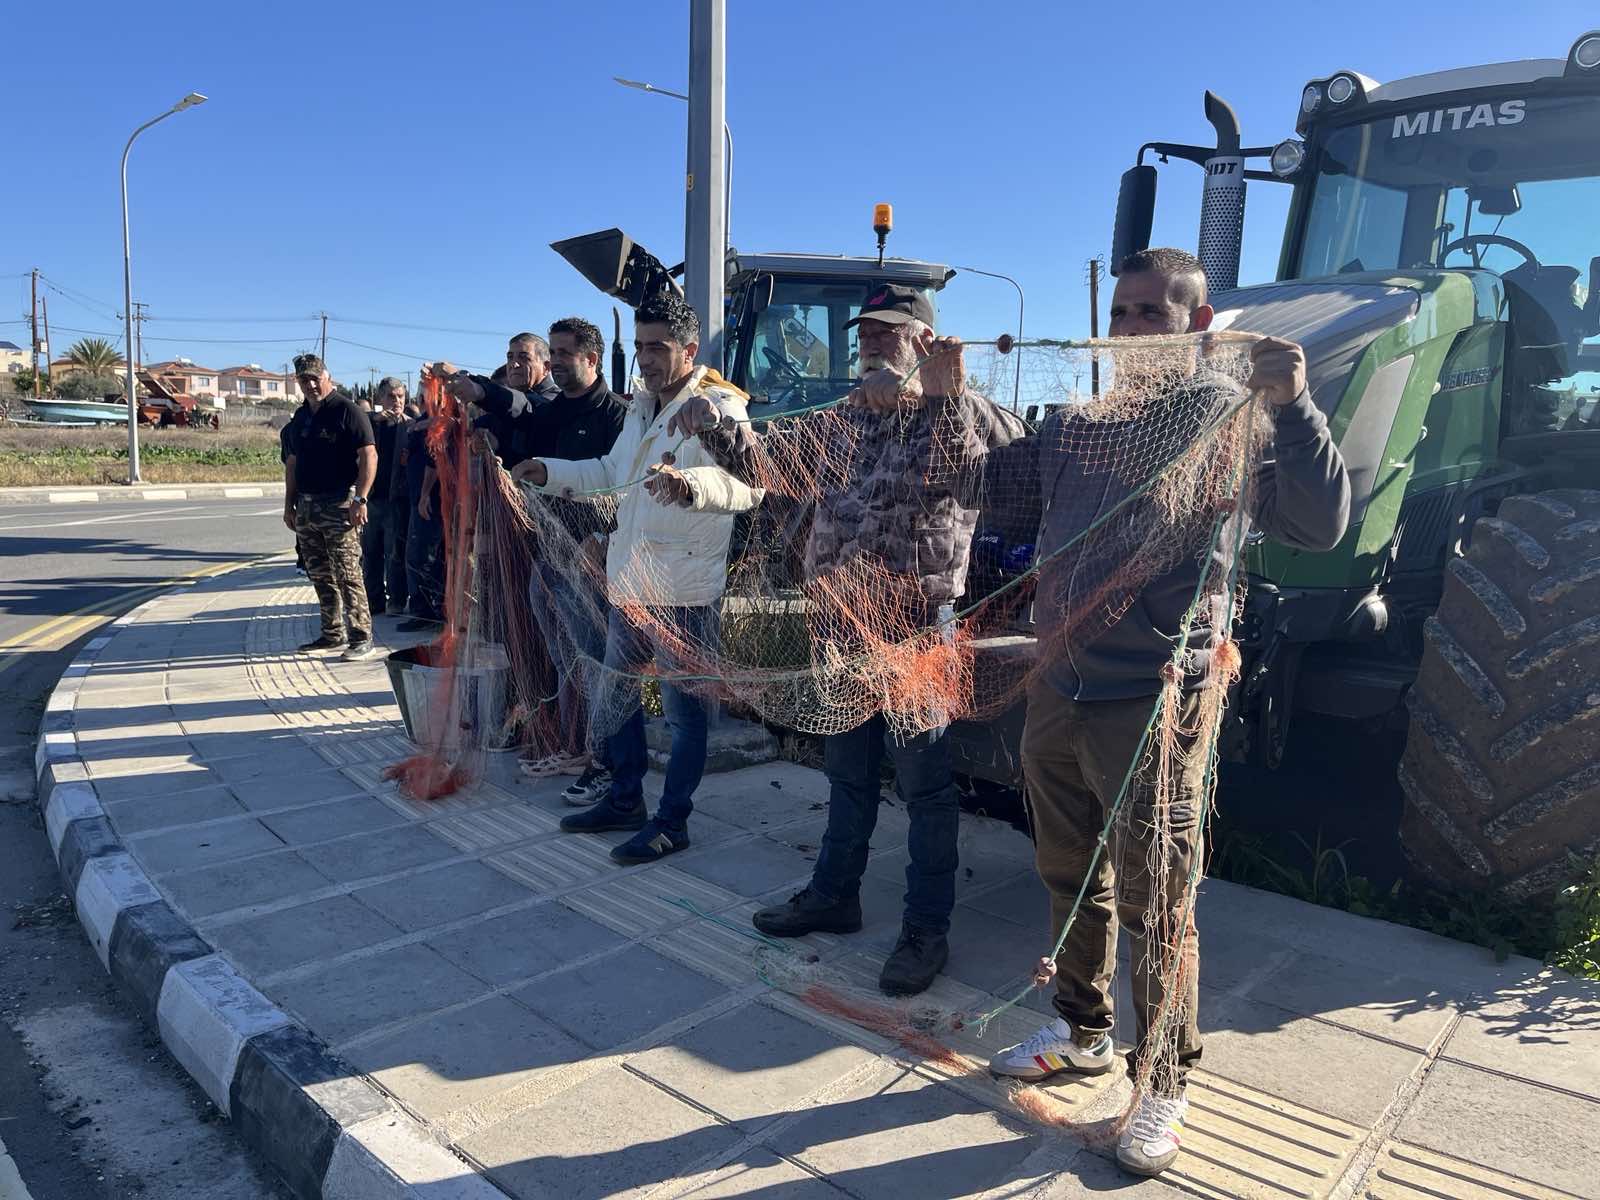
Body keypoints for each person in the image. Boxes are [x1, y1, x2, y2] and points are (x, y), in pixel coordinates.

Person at [986, 248, 1351, 1178]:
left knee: (1160, 901)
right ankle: (1082, 1034)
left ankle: (1163, 1081)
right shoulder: (1078, 424)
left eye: (1152, 312)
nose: (1130, 328)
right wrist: (951, 400)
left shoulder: (1229, 415)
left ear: (1198, 325)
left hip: (1154, 699)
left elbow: (1319, 526)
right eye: (1122, 310)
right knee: (1068, 872)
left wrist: (1296, 407)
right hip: (1058, 686)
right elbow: (997, 495)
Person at [749, 284, 1025, 997]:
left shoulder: (964, 405)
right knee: (847, 772)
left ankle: (925, 929)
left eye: (887, 332)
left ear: (923, 341)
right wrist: (715, 431)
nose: (871, 343)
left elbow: (995, 474)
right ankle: (833, 895)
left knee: (925, 787)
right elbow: (769, 468)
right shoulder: (844, 416)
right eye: (865, 333)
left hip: (914, 628)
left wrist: (945, 395)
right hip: (841, 622)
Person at [512, 293, 761, 864]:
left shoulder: (718, 404)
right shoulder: (642, 406)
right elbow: (611, 472)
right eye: (641, 346)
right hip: (632, 582)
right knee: (616, 693)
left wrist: (691, 486)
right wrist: (550, 471)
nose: (645, 359)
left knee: (683, 714)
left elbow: (748, 485)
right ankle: (625, 799)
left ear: (689, 351)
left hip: (683, 588)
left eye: (658, 348)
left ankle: (672, 822)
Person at [433, 318, 628, 787]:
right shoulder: (553, 412)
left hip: (590, 559)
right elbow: (521, 409)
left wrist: (602, 537)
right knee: (563, 658)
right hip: (549, 554)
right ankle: (572, 746)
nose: (556, 362)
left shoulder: (617, 415)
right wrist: (479, 394)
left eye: (563, 353)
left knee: (593, 662)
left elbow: (626, 485)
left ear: (592, 359)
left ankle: (601, 758)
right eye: (553, 353)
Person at [283, 353, 381, 661]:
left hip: (339, 504)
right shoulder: (300, 418)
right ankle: (332, 632)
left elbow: (369, 456)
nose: (310, 385)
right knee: (319, 574)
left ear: (327, 377)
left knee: (347, 572)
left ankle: (361, 637)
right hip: (307, 506)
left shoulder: (347, 411)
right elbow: (292, 463)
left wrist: (360, 499)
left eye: (315, 378)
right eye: (304, 380)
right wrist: (289, 505)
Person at [469, 334, 561, 469]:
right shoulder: (509, 403)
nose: (514, 364)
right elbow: (488, 422)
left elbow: (525, 409)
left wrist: (479, 389)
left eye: (524, 357)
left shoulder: (555, 401)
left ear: (546, 367)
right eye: (510, 357)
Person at [361, 377, 410, 616]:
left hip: (396, 501)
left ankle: (396, 600)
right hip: (371, 499)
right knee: (370, 553)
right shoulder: (370, 424)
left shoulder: (409, 426)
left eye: (400, 396)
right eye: (391, 396)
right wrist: (375, 420)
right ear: (380, 398)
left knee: (395, 553)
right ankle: (374, 600)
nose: (396, 401)